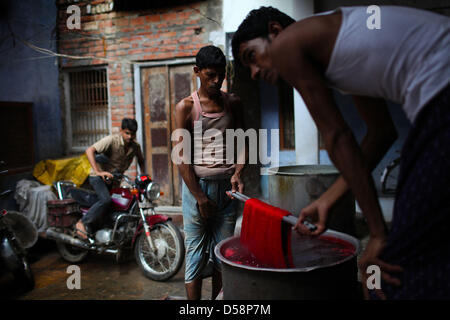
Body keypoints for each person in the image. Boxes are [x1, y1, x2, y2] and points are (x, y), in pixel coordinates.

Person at [232, 6, 450, 299]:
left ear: (275, 30)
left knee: (389, 269)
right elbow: (381, 134)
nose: (256, 72)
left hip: (441, 97)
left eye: (252, 57)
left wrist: (377, 234)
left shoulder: (288, 43)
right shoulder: (344, 56)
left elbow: (337, 135)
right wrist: (329, 198)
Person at [174, 45, 246, 300]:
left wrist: (238, 172)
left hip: (228, 191)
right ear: (197, 72)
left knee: (222, 254)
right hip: (197, 190)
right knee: (194, 253)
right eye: (210, 75)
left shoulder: (233, 102)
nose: (217, 80)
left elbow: (242, 143)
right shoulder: (185, 107)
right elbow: (181, 158)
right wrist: (199, 197)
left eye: (221, 74)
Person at [75, 118, 145, 239]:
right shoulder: (112, 141)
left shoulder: (135, 146)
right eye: (127, 133)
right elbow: (90, 150)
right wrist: (98, 171)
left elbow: (141, 161)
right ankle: (82, 223)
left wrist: (143, 176)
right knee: (106, 200)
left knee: (121, 204)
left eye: (132, 134)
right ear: (121, 131)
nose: (130, 136)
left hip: (114, 181)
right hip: (98, 178)